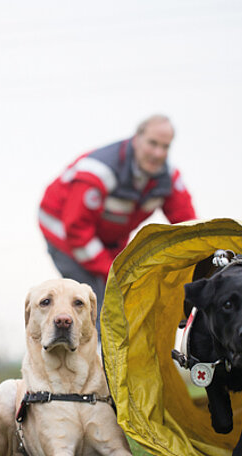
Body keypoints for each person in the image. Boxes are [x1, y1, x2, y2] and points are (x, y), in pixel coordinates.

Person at [38, 114, 197, 317]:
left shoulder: (167, 178)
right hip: (64, 233)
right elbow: (76, 229)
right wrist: (111, 271)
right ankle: (94, 344)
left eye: (165, 147)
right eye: (152, 143)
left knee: (120, 296)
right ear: (137, 138)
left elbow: (188, 227)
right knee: (94, 300)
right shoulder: (99, 172)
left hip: (108, 238)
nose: (158, 153)